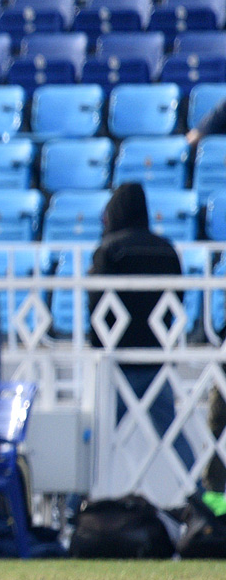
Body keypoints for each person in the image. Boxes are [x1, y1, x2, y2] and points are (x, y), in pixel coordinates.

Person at [88, 183, 192, 469]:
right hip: (155, 357)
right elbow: (177, 301)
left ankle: (81, 495)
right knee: (172, 433)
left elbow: (96, 306)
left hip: (118, 358)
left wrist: (97, 348)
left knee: (100, 435)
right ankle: (200, 490)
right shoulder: (167, 250)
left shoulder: (110, 251)